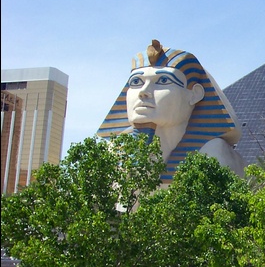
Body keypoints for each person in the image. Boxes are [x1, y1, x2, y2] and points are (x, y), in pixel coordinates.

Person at [97, 40, 245, 184]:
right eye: (136, 82)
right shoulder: (115, 152)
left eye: (163, 81)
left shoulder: (212, 153)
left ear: (195, 94)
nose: (143, 92)